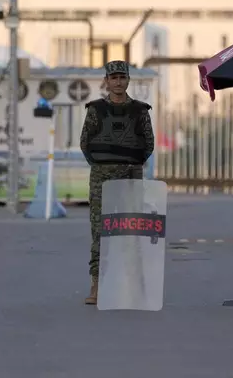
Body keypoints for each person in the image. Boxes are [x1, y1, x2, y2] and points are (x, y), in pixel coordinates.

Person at [79, 60, 155, 305]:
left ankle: (133, 285)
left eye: (122, 77)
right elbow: (85, 142)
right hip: (102, 176)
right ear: (107, 81)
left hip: (131, 175)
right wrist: (102, 165)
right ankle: (97, 285)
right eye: (114, 78)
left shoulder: (140, 111)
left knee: (131, 231)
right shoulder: (96, 110)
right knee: (100, 231)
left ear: (128, 80)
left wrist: (131, 163)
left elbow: (148, 143)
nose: (118, 82)